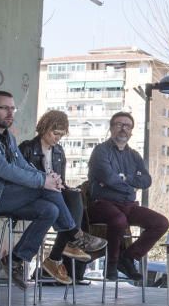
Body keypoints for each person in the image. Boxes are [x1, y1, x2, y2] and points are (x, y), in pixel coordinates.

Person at [0, 91, 105, 290]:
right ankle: (74, 236)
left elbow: (22, 165)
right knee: (47, 191)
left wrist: (48, 178)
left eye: (13, 108)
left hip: (3, 196)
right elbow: (4, 169)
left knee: (50, 210)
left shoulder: (7, 137)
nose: (10, 113)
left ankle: (16, 259)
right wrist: (42, 181)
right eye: (4, 108)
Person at [19, 109, 105, 286]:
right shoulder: (27, 148)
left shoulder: (59, 151)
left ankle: (66, 246)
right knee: (61, 201)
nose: (57, 138)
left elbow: (62, 180)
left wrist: (61, 185)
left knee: (75, 195)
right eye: (55, 133)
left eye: (61, 135)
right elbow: (21, 177)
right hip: (33, 194)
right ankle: (70, 242)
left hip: (53, 194)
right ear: (44, 127)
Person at [87, 111, 169, 281]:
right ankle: (111, 264)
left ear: (131, 131)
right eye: (119, 124)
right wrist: (130, 184)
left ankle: (128, 257)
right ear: (111, 128)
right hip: (101, 203)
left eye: (127, 126)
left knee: (160, 223)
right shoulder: (101, 151)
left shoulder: (135, 156)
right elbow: (108, 178)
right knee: (119, 220)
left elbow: (146, 181)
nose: (123, 129)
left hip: (128, 205)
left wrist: (124, 178)